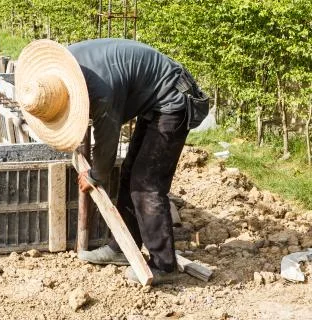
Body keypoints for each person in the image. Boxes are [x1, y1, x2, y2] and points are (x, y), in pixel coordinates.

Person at [15, 38, 208, 285]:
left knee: (146, 183)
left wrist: (95, 175)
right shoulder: (62, 71)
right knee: (130, 172)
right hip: (156, 97)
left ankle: (164, 265)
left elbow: (107, 140)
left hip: (173, 99)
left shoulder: (100, 91)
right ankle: (121, 248)